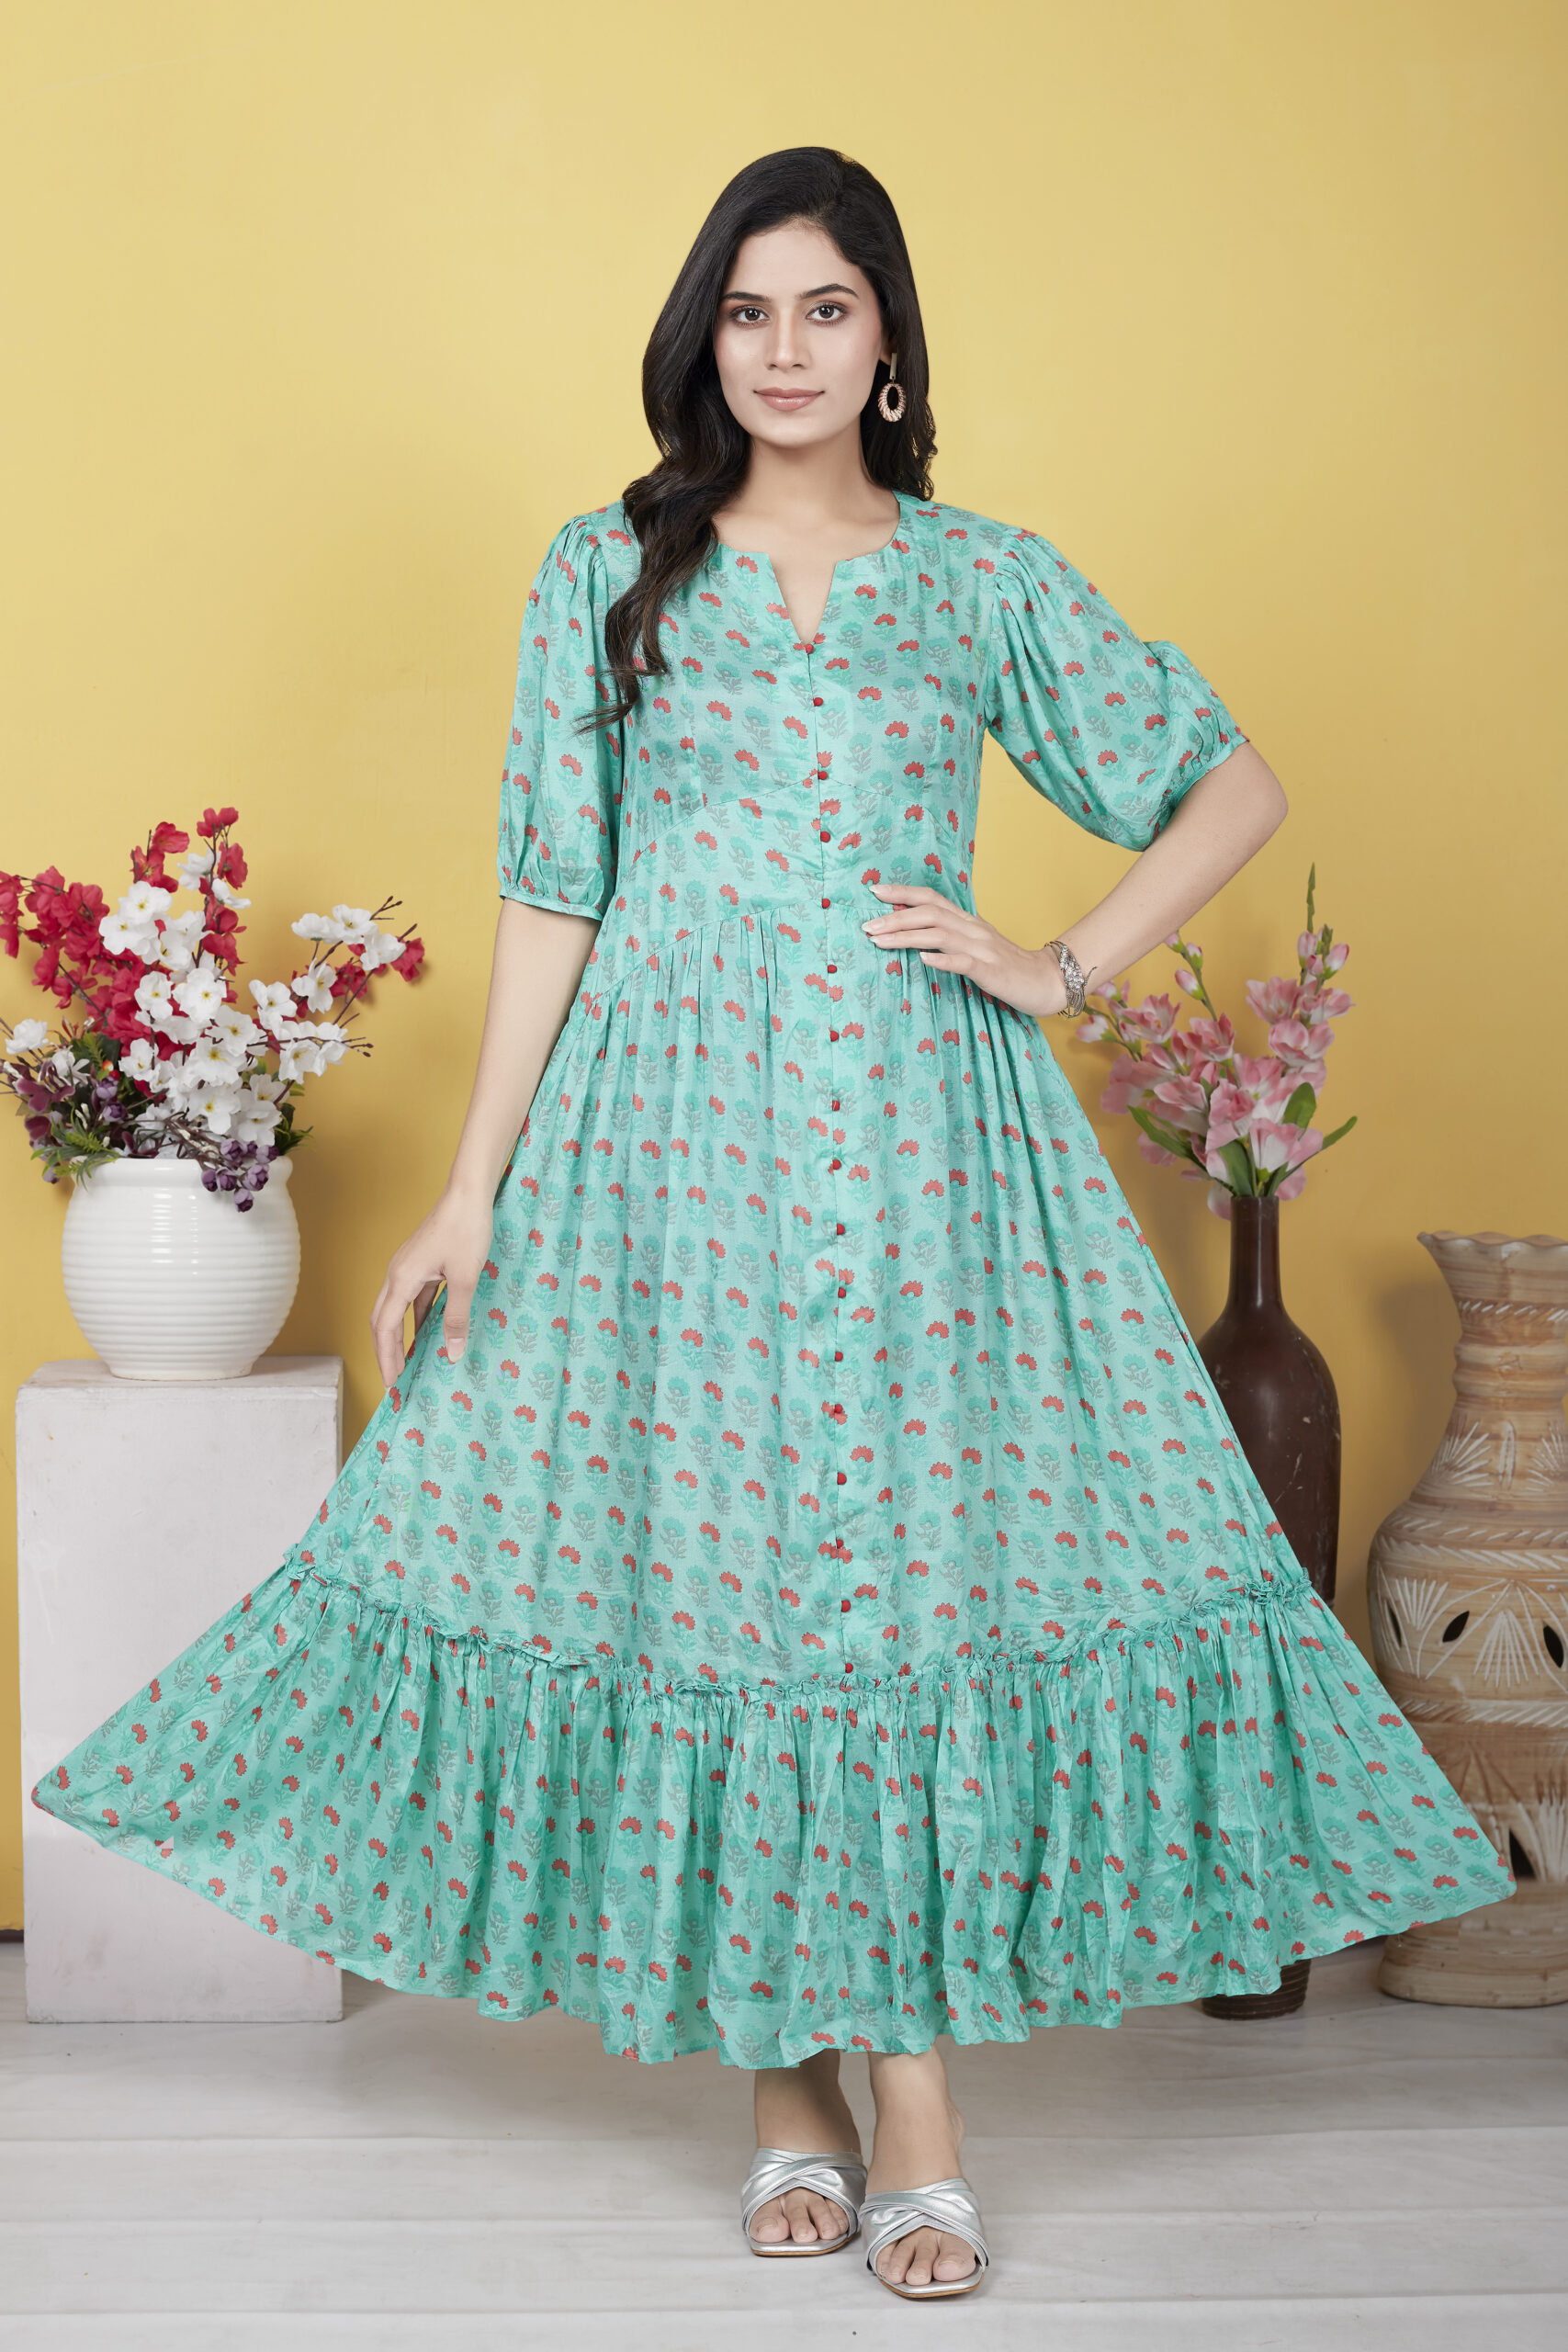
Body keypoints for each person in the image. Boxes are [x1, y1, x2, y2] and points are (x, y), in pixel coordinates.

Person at [34, 144, 1515, 2304]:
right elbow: (554, 888)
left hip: (925, 1148)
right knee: (710, 1589)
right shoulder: (607, 569)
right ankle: (786, 2088)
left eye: (825, 307)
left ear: (886, 334)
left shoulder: (977, 579)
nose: (786, 349)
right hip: (665, 1152)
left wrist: (1058, 965)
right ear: (703, 337)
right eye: (748, 311)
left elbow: (1229, 784)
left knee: (901, 1589)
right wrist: (469, 1187)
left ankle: (908, 2101)